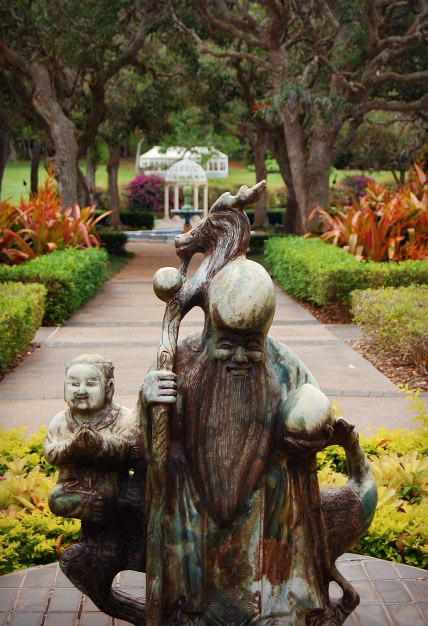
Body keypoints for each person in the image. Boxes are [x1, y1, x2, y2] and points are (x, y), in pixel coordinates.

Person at [142, 258, 339, 625]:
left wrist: (309, 430)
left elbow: (314, 415)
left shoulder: (285, 366)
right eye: (227, 344)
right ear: (211, 332)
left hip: (267, 509)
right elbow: (151, 443)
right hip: (193, 509)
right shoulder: (181, 359)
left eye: (251, 346)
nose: (238, 356)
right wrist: (148, 397)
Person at [44, 354, 145, 566]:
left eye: (90, 383)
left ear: (109, 388)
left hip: (114, 487)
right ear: (64, 388)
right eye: (74, 383)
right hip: (75, 489)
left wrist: (99, 446)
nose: (81, 390)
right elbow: (51, 453)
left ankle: (127, 548)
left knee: (130, 503)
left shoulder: (123, 417)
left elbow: (131, 451)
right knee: (56, 498)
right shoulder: (61, 422)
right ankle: (97, 538)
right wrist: (72, 447)